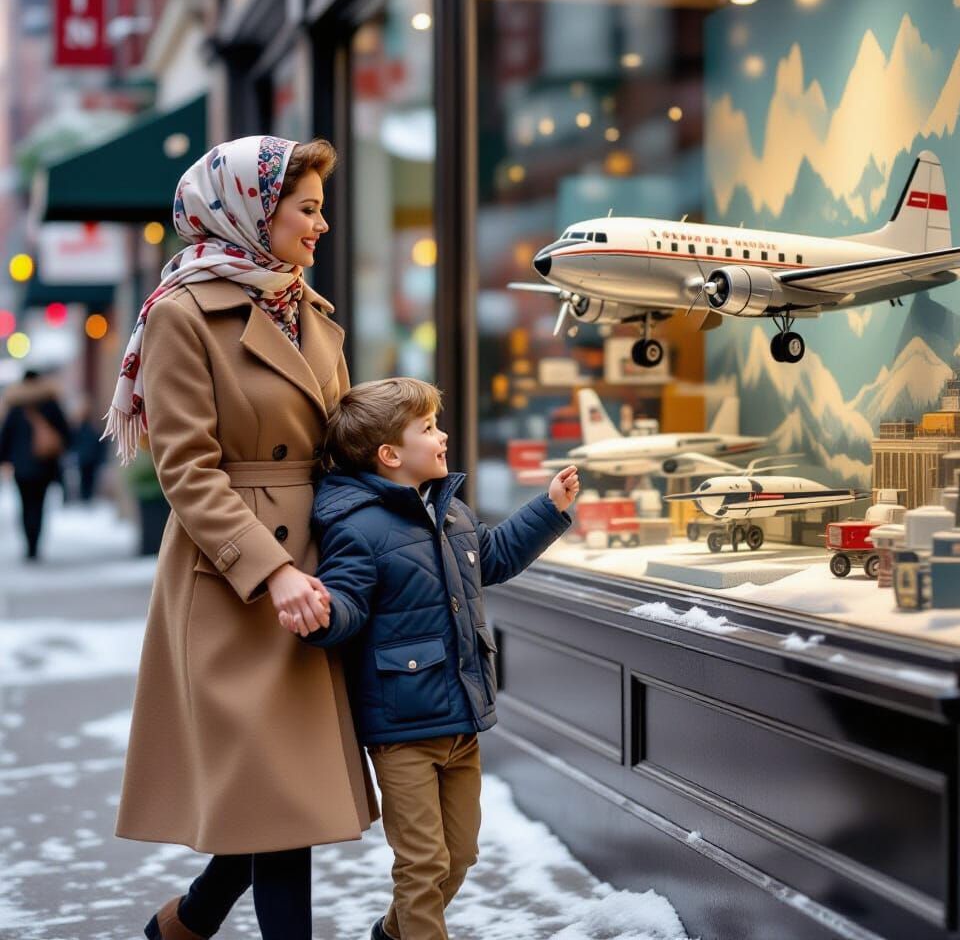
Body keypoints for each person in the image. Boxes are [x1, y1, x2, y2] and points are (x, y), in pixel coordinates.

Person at [104, 136, 378, 940]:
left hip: (320, 566)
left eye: (321, 209)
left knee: (277, 798)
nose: (321, 225)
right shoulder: (182, 315)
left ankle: (186, 922)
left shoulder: (307, 310)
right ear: (254, 212)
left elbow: (342, 438)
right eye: (307, 209)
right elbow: (186, 472)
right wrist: (272, 572)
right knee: (277, 802)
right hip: (235, 582)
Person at [286, 377, 580, 940]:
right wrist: (321, 613)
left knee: (459, 856)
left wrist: (547, 511)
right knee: (421, 866)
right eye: (428, 428)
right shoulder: (357, 528)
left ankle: (393, 934)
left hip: (462, 720)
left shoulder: (449, 512)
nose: (442, 436)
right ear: (390, 455)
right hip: (402, 730)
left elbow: (488, 558)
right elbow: (346, 601)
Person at [0, 369, 72, 561]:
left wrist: (5, 459)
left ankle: (29, 544)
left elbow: (5, 436)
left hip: (21, 467)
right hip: (44, 465)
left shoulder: (15, 406)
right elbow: (65, 432)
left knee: (25, 505)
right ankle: (36, 543)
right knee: (39, 506)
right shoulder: (50, 403)